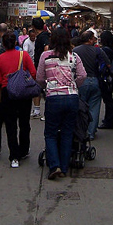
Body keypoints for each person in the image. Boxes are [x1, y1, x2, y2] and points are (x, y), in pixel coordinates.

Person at [36, 28, 87, 180]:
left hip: (53, 98)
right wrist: (74, 85)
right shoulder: (74, 56)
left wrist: (47, 86)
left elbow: (39, 78)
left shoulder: (45, 56)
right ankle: (64, 167)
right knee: (67, 133)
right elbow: (82, 75)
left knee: (50, 133)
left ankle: (54, 166)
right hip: (71, 98)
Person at [0, 32, 36, 168]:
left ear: (3, 44)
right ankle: (24, 150)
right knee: (24, 122)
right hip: (24, 93)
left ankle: (14, 157)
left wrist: (6, 84)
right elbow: (33, 72)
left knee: (10, 125)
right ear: (16, 42)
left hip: (8, 93)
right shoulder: (24, 55)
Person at [72, 31, 109, 140]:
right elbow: (108, 64)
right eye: (93, 39)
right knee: (94, 107)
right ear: (89, 40)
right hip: (95, 80)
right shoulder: (98, 50)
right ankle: (90, 133)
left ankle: (81, 131)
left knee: (81, 108)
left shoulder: (75, 51)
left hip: (80, 81)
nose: (95, 41)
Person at [98, 30, 113, 130]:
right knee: (108, 99)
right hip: (111, 77)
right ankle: (108, 119)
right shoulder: (111, 49)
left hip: (107, 77)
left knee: (108, 99)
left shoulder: (105, 50)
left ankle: (109, 121)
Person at [31, 17, 50, 119]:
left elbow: (46, 48)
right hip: (39, 66)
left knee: (46, 90)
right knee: (37, 88)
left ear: (33, 27)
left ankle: (47, 112)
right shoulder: (41, 36)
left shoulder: (43, 36)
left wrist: (44, 63)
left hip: (42, 67)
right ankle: (37, 110)